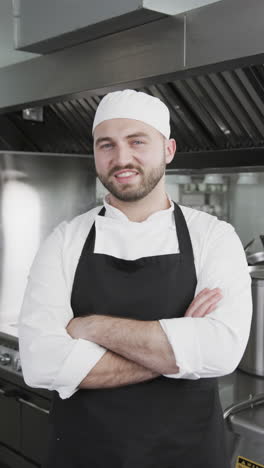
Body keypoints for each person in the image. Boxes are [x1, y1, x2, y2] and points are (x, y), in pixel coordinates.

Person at [19, 89, 252, 468]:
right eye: (106, 145)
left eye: (137, 141)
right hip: (84, 456)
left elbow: (221, 351)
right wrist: (179, 347)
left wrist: (91, 326)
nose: (121, 158)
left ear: (169, 150)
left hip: (186, 456)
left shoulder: (213, 236)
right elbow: (41, 362)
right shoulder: (65, 240)